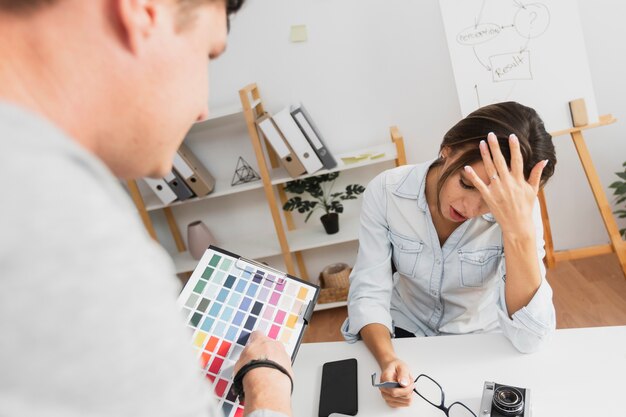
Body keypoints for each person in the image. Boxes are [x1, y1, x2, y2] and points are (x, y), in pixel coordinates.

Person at [0, 0, 292, 416]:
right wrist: (268, 384)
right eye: (207, 54)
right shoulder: (70, 231)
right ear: (142, 12)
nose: (202, 106)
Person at [342, 102, 557, 408]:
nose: (469, 209)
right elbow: (368, 290)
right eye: (467, 184)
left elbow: (530, 338)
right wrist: (388, 359)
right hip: (404, 330)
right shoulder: (388, 191)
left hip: (476, 340)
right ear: (447, 150)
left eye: (490, 202)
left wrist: (517, 229)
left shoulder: (519, 212)